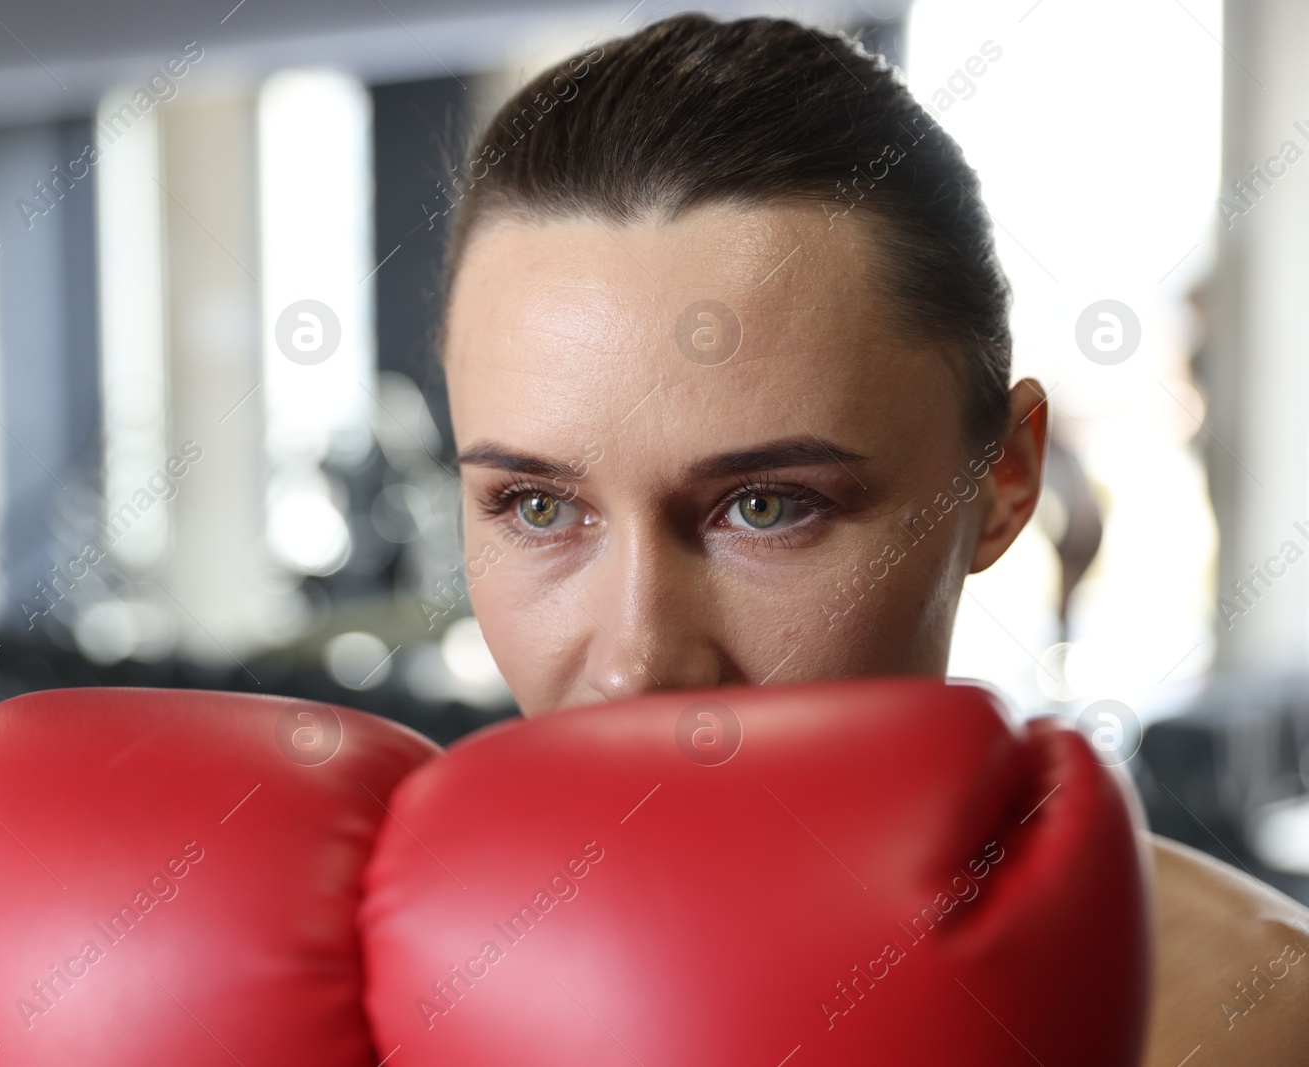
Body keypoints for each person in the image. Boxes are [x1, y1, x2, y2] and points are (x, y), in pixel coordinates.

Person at [433, 14, 1309, 1063]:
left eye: (765, 505)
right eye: (537, 506)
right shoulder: (363, 981)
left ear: (1002, 481)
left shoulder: (1252, 1017)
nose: (635, 664)